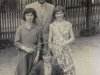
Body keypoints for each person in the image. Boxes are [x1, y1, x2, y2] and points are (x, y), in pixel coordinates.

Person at [48, 6, 75, 75]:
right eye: (57, 13)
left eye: (61, 13)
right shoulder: (52, 26)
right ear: (54, 14)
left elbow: (73, 37)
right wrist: (52, 51)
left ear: (64, 13)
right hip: (56, 50)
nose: (59, 15)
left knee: (68, 67)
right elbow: (49, 40)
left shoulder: (68, 24)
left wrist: (66, 42)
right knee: (58, 69)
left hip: (66, 49)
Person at [14, 8, 41, 75]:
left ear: (34, 16)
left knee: (32, 71)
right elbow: (16, 43)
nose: (29, 17)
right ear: (24, 16)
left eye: (31, 15)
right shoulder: (20, 28)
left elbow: (39, 43)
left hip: (33, 52)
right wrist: (26, 49)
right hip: (23, 53)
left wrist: (37, 56)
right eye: (27, 15)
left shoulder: (38, 28)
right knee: (23, 71)